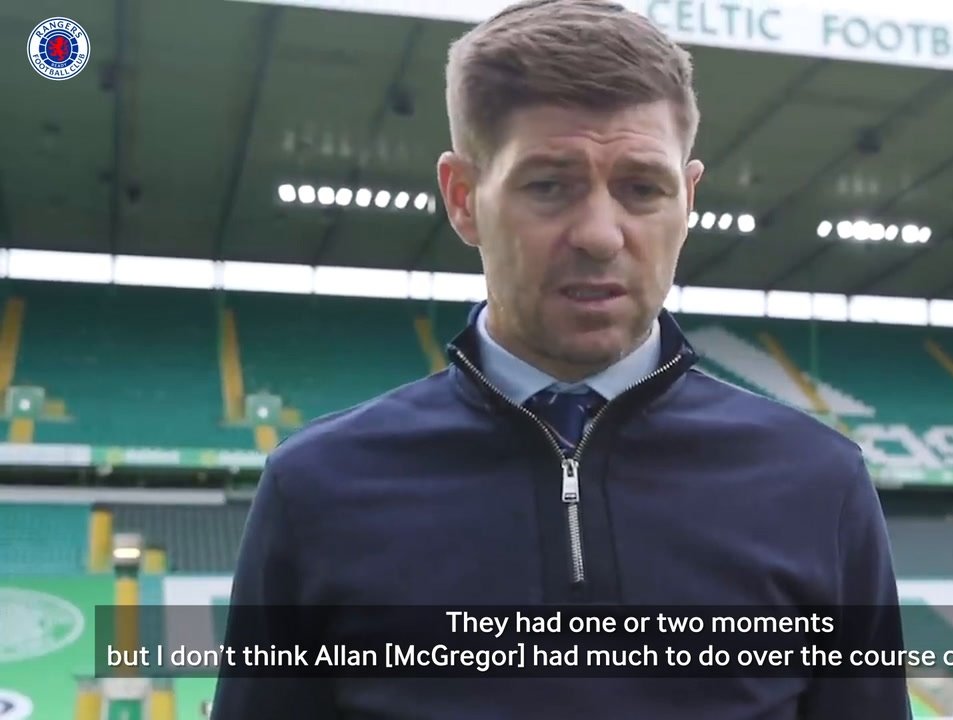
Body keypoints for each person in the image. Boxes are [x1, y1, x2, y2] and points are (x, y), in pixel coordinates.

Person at [211, 0, 908, 718]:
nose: (602, 234)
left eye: (643, 189)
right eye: (549, 185)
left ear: (688, 198)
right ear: (463, 198)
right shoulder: (318, 488)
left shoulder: (819, 483)